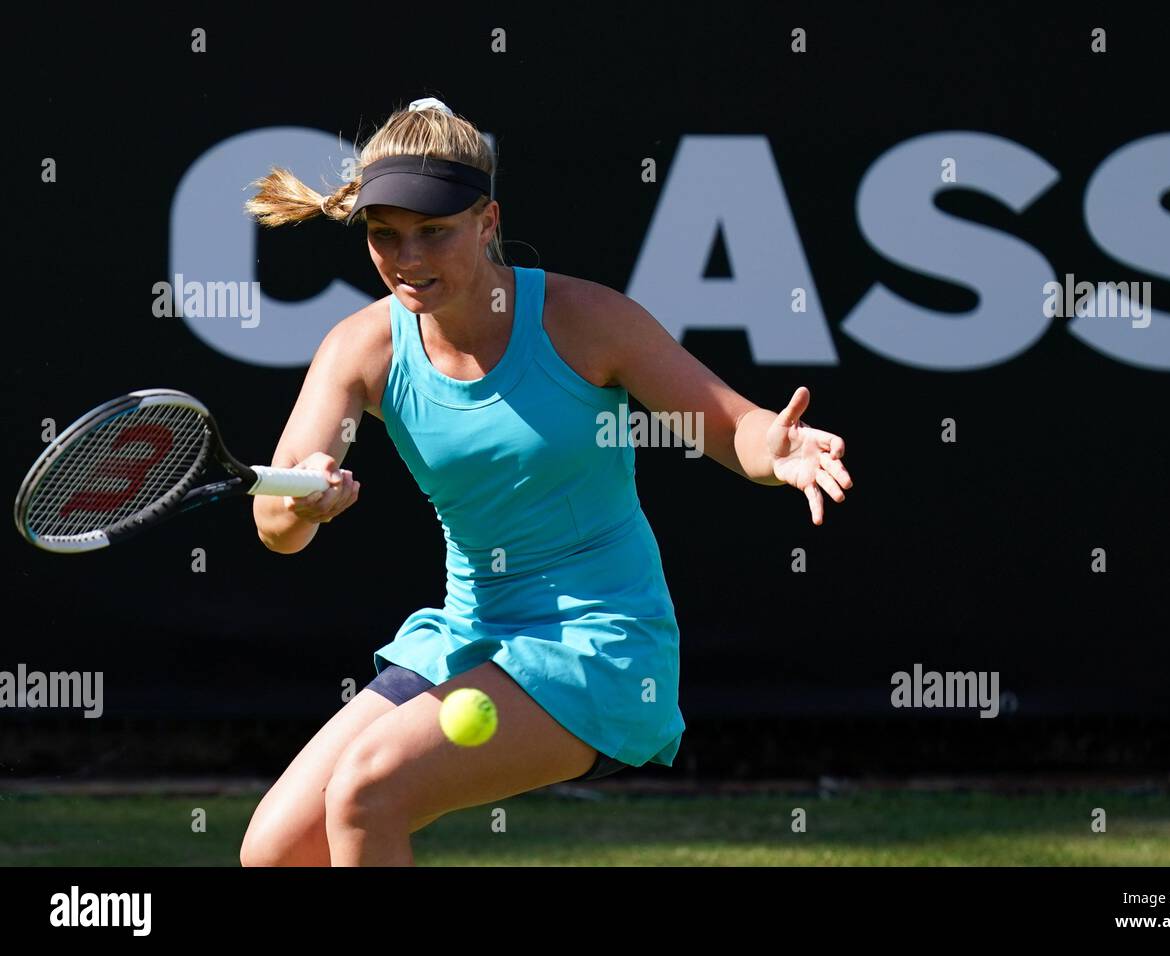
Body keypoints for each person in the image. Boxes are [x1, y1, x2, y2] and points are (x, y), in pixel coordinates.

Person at [237, 96, 853, 866]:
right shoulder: (361, 348)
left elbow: (730, 427)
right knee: (274, 852)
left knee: (366, 791)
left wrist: (779, 446)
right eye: (385, 236)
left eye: (435, 232)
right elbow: (277, 523)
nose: (408, 257)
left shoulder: (585, 319)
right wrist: (308, 501)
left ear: (488, 222)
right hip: (469, 636)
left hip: (602, 643)